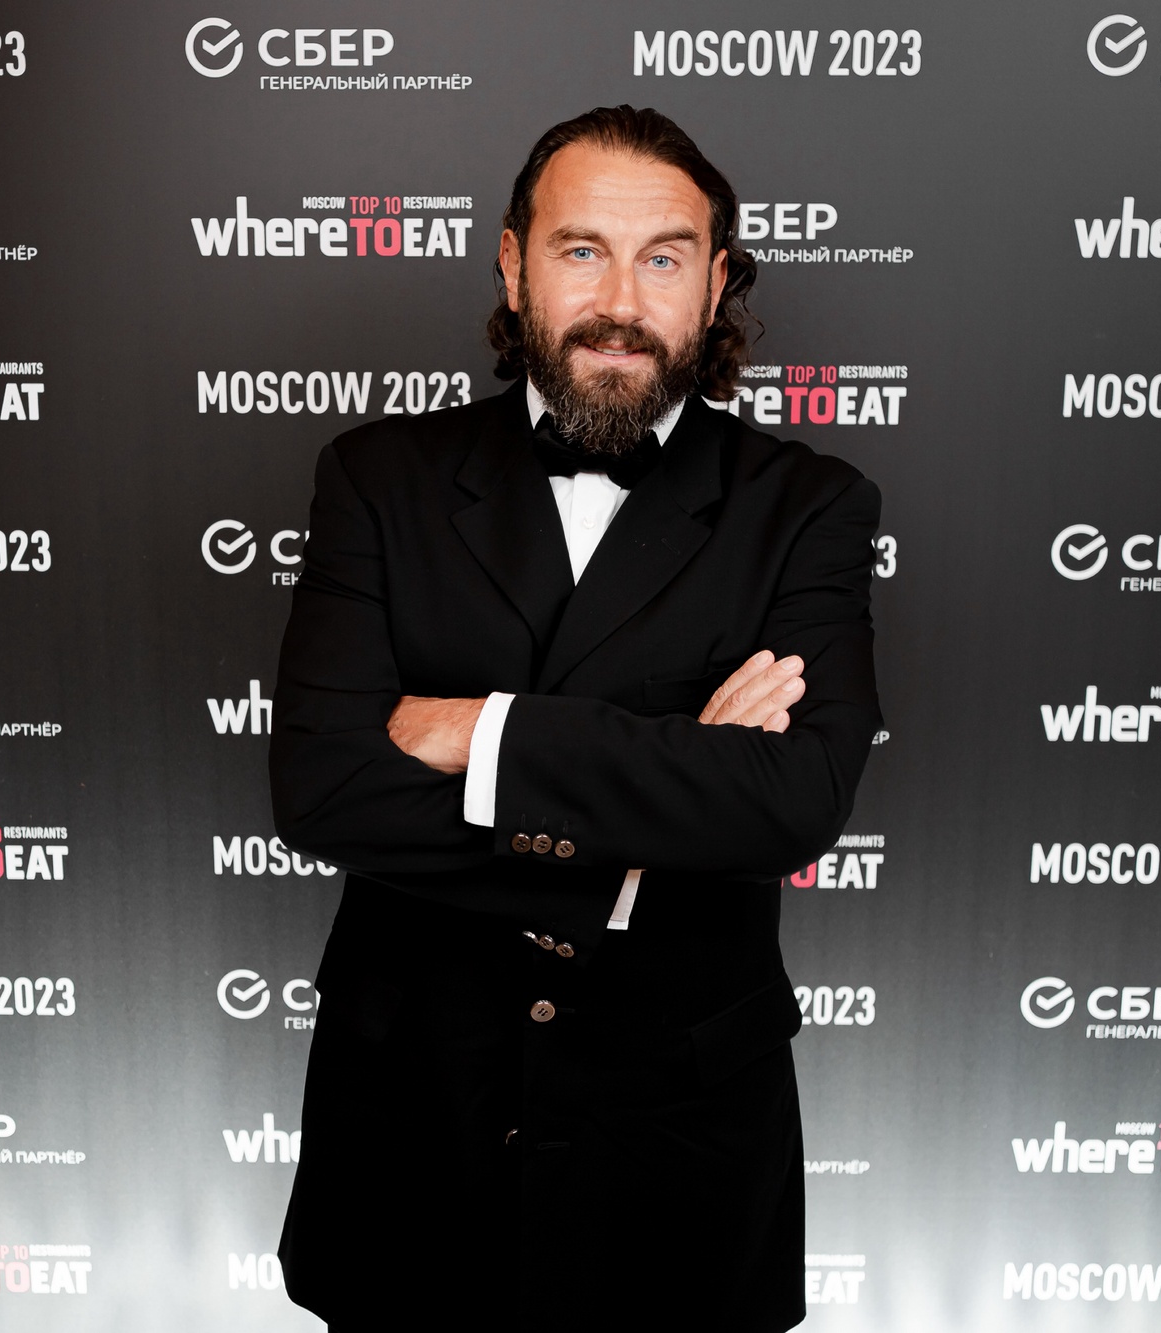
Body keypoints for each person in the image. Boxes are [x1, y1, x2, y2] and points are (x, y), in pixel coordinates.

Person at [268, 105, 882, 1331]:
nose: (620, 301)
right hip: (412, 1124)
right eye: (581, 249)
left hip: (679, 1144)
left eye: (663, 257)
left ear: (715, 282)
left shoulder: (808, 506)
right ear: (513, 265)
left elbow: (794, 802)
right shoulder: (377, 479)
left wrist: (477, 732)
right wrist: (667, 799)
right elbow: (325, 787)